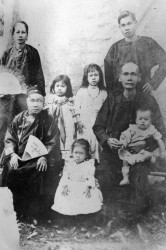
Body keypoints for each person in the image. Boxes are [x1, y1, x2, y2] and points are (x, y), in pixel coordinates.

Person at [93, 62, 166, 207]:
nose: (129, 78)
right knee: (103, 176)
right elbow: (98, 126)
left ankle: (134, 219)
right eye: (125, 74)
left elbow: (162, 131)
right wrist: (107, 140)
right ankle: (110, 216)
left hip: (138, 154)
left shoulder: (148, 100)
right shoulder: (112, 99)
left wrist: (144, 144)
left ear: (139, 78)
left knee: (139, 178)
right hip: (114, 152)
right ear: (120, 78)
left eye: (133, 74)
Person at [1, 86, 61, 220]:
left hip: (38, 159)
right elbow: (10, 139)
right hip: (19, 157)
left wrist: (45, 157)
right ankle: (15, 211)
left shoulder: (48, 120)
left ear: (43, 103)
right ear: (27, 102)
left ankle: (34, 214)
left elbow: (52, 142)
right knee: (11, 170)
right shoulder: (19, 119)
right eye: (32, 100)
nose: (35, 104)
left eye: (39, 101)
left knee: (39, 172)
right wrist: (12, 155)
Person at [104, 11, 166, 94]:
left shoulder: (148, 43)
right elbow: (108, 74)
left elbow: (164, 61)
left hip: (142, 94)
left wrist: (153, 82)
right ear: (120, 27)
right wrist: (112, 93)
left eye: (129, 23)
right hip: (120, 96)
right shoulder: (114, 48)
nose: (126, 28)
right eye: (123, 25)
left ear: (135, 23)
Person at [52, 139, 103, 215]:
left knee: (87, 196)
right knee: (65, 195)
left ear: (86, 154)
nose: (78, 155)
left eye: (81, 153)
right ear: (72, 152)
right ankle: (69, 214)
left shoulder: (89, 164)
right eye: (76, 153)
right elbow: (65, 176)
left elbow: (91, 177)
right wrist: (65, 186)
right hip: (71, 184)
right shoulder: (69, 164)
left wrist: (88, 187)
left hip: (84, 185)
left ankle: (83, 215)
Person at [118, 107, 166, 185]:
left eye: (146, 119)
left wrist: (163, 151)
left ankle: (155, 176)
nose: (143, 121)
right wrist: (124, 144)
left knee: (149, 156)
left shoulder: (151, 129)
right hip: (132, 152)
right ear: (136, 120)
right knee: (125, 160)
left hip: (144, 152)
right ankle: (125, 178)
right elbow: (126, 137)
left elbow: (159, 139)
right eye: (140, 119)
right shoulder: (133, 129)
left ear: (150, 121)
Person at [75, 64, 107, 161]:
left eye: (96, 75)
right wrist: (78, 121)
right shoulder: (82, 91)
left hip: (97, 121)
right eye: (91, 75)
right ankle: (84, 162)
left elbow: (106, 110)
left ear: (100, 77)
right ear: (86, 77)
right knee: (84, 141)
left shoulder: (103, 92)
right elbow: (76, 108)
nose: (93, 78)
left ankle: (96, 162)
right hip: (84, 122)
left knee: (96, 142)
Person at [46, 75, 77, 161]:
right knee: (54, 140)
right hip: (54, 126)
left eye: (63, 86)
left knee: (68, 139)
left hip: (67, 126)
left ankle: (67, 160)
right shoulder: (50, 101)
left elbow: (74, 115)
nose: (59, 88)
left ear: (68, 88)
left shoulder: (70, 101)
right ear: (53, 87)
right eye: (57, 86)